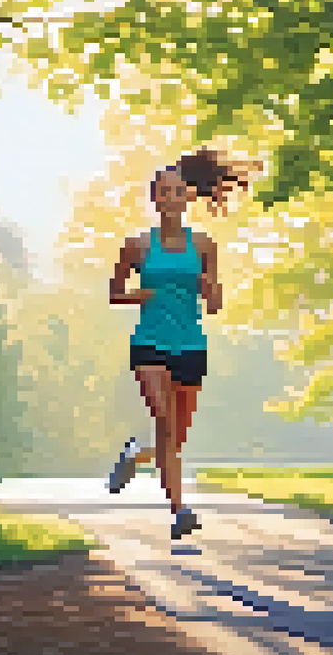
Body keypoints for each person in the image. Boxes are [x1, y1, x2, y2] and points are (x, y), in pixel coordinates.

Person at [105, 149, 255, 539]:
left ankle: (136, 455)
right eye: (163, 192)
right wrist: (140, 296)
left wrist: (209, 287)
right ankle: (180, 509)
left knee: (174, 437)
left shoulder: (203, 246)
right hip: (151, 343)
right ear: (154, 199)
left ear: (188, 198)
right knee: (165, 423)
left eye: (178, 192)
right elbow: (114, 294)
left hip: (190, 344)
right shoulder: (137, 246)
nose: (171, 198)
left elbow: (217, 306)